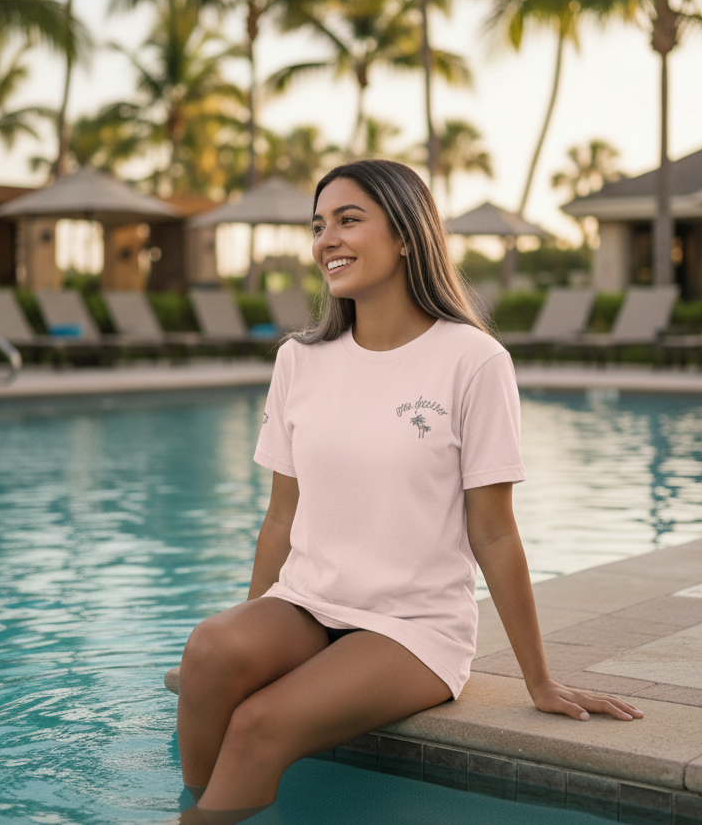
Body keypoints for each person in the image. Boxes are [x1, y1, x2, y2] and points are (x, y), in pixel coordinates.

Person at [175, 159, 643, 824]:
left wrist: (537, 677)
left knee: (258, 724)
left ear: (404, 235)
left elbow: (493, 531)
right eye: (318, 225)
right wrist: (243, 646)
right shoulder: (298, 360)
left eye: (346, 219)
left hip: (413, 628)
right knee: (207, 652)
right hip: (308, 603)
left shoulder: (472, 361)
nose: (325, 239)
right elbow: (281, 516)